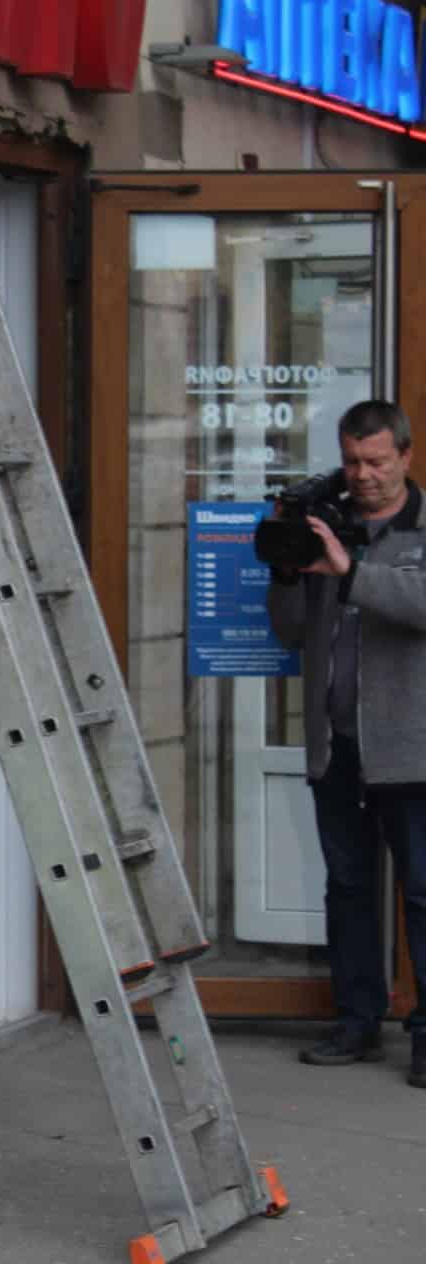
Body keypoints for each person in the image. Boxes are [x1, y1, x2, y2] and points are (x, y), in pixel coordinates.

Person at [266, 398, 426, 1088]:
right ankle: (357, 1020)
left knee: (422, 894)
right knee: (349, 887)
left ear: (406, 457)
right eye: (353, 461)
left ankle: (425, 1035)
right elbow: (294, 631)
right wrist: (286, 568)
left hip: (413, 749)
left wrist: (351, 572)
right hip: (338, 746)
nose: (362, 476)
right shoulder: (326, 526)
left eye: (376, 462)